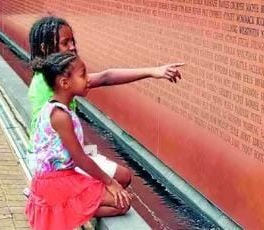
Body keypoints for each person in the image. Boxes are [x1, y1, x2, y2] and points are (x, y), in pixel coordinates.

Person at [27, 16, 184, 187]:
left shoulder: (51, 77)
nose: (72, 47)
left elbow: (106, 77)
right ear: (44, 48)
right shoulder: (47, 84)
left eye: (73, 41)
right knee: (122, 179)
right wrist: (107, 180)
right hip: (53, 165)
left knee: (117, 180)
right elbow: (104, 78)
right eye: (65, 43)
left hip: (56, 156)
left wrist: (153, 71)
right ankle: (57, 200)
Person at [25, 52, 133, 230]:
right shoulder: (59, 116)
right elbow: (80, 158)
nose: (88, 80)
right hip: (55, 183)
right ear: (64, 83)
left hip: (60, 178)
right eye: (83, 75)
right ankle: (69, 209)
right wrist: (110, 182)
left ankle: (70, 210)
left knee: (123, 202)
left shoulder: (58, 108)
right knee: (123, 203)